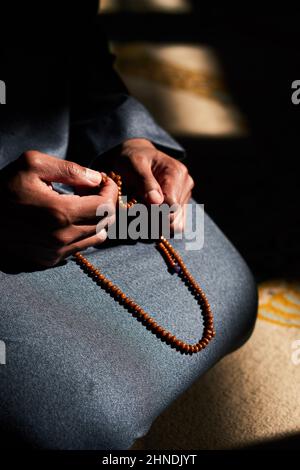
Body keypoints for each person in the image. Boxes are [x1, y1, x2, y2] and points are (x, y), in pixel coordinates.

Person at [0, 1, 257, 449]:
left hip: (70, 175)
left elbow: (74, 49)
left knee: (234, 294)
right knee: (84, 418)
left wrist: (126, 136)